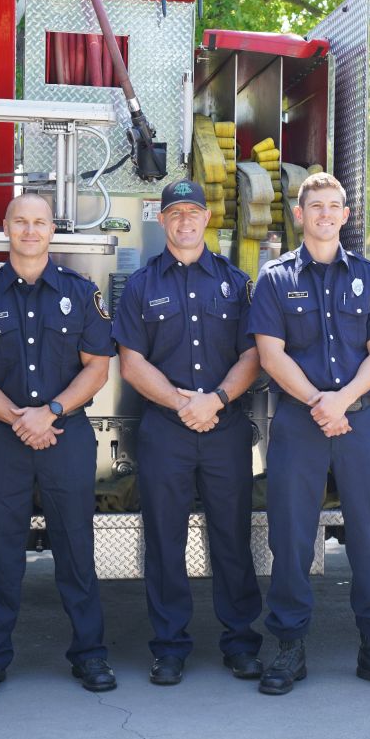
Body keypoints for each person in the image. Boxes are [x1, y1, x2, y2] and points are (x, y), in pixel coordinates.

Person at [247, 172, 370, 696]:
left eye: (334, 206)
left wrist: (341, 401)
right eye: (315, 206)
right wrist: (318, 402)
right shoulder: (275, 278)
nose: (325, 213)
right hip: (300, 423)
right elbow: (270, 353)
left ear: (346, 215)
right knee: (291, 537)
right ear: (299, 216)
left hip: (358, 420)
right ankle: (289, 647)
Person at [0, 193, 116, 696]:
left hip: (66, 433)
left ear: (52, 231)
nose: (29, 230)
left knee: (75, 547)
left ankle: (89, 655)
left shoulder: (80, 292)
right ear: (6, 227)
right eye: (20, 221)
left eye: (39, 222)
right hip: (3, 438)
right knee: (1, 552)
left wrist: (51, 413)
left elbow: (97, 366)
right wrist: (21, 419)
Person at [114, 180, 264, 686]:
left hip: (224, 428)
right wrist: (183, 403)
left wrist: (215, 400)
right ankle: (169, 646)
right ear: (162, 219)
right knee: (164, 539)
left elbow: (253, 354)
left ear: (207, 218)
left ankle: (241, 642)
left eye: (193, 212)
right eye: (175, 213)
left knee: (232, 537)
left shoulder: (235, 282)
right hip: (165, 429)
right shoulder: (141, 285)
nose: (184, 221)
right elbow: (132, 363)